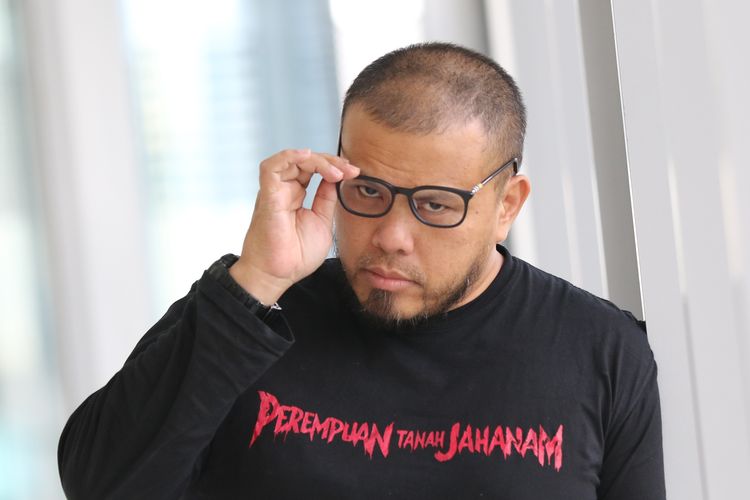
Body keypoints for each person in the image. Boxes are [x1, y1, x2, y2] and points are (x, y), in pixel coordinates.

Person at [58, 42, 665, 499]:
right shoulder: (252, 311)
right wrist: (257, 281)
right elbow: (100, 484)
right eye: (368, 191)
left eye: (435, 205)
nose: (391, 238)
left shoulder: (601, 351)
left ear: (506, 206)